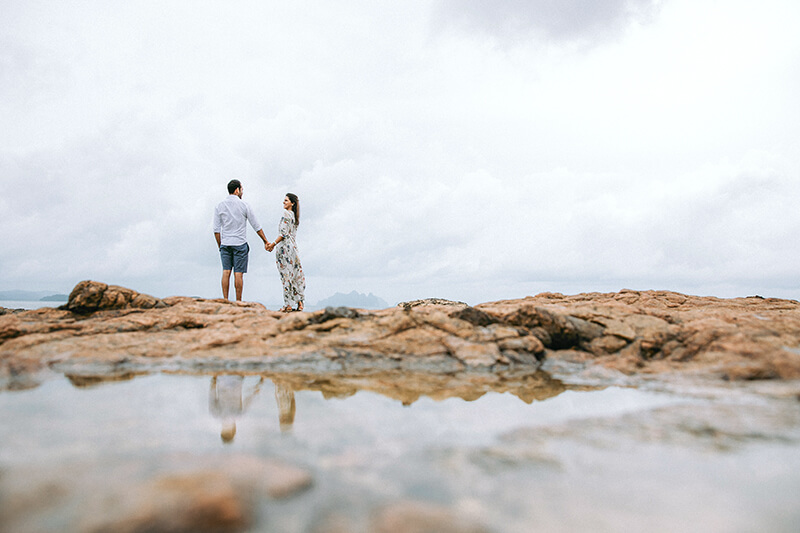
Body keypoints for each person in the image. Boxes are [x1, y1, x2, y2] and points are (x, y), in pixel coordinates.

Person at [213, 179, 270, 301]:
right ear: (237, 190)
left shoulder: (219, 206)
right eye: (242, 189)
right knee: (238, 274)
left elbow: (216, 230)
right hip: (240, 243)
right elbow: (256, 225)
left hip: (225, 243)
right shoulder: (244, 205)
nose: (242, 192)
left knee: (226, 272)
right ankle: (238, 301)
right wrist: (265, 241)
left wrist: (220, 246)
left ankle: (225, 300)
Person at [266, 193, 306, 312]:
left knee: (286, 276)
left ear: (292, 203)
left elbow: (283, 234)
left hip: (285, 248)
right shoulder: (294, 216)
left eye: (286, 200)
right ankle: (300, 303)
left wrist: (272, 244)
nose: (284, 202)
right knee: (295, 275)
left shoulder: (286, 214)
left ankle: (288, 304)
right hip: (293, 248)